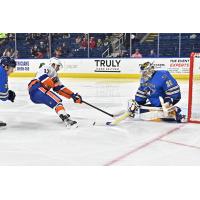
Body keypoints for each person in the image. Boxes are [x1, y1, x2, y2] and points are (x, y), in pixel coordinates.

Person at [28, 57, 82, 127]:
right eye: (58, 66)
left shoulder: (54, 75)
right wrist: (55, 85)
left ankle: (62, 113)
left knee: (57, 103)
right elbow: (44, 78)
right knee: (57, 102)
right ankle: (65, 117)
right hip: (37, 88)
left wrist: (73, 96)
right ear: (53, 64)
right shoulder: (48, 67)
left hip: (36, 93)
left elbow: (61, 88)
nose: (58, 68)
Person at [0, 56, 17, 127]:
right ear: (6, 67)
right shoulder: (2, 74)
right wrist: (9, 95)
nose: (12, 71)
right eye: (11, 68)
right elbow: (3, 96)